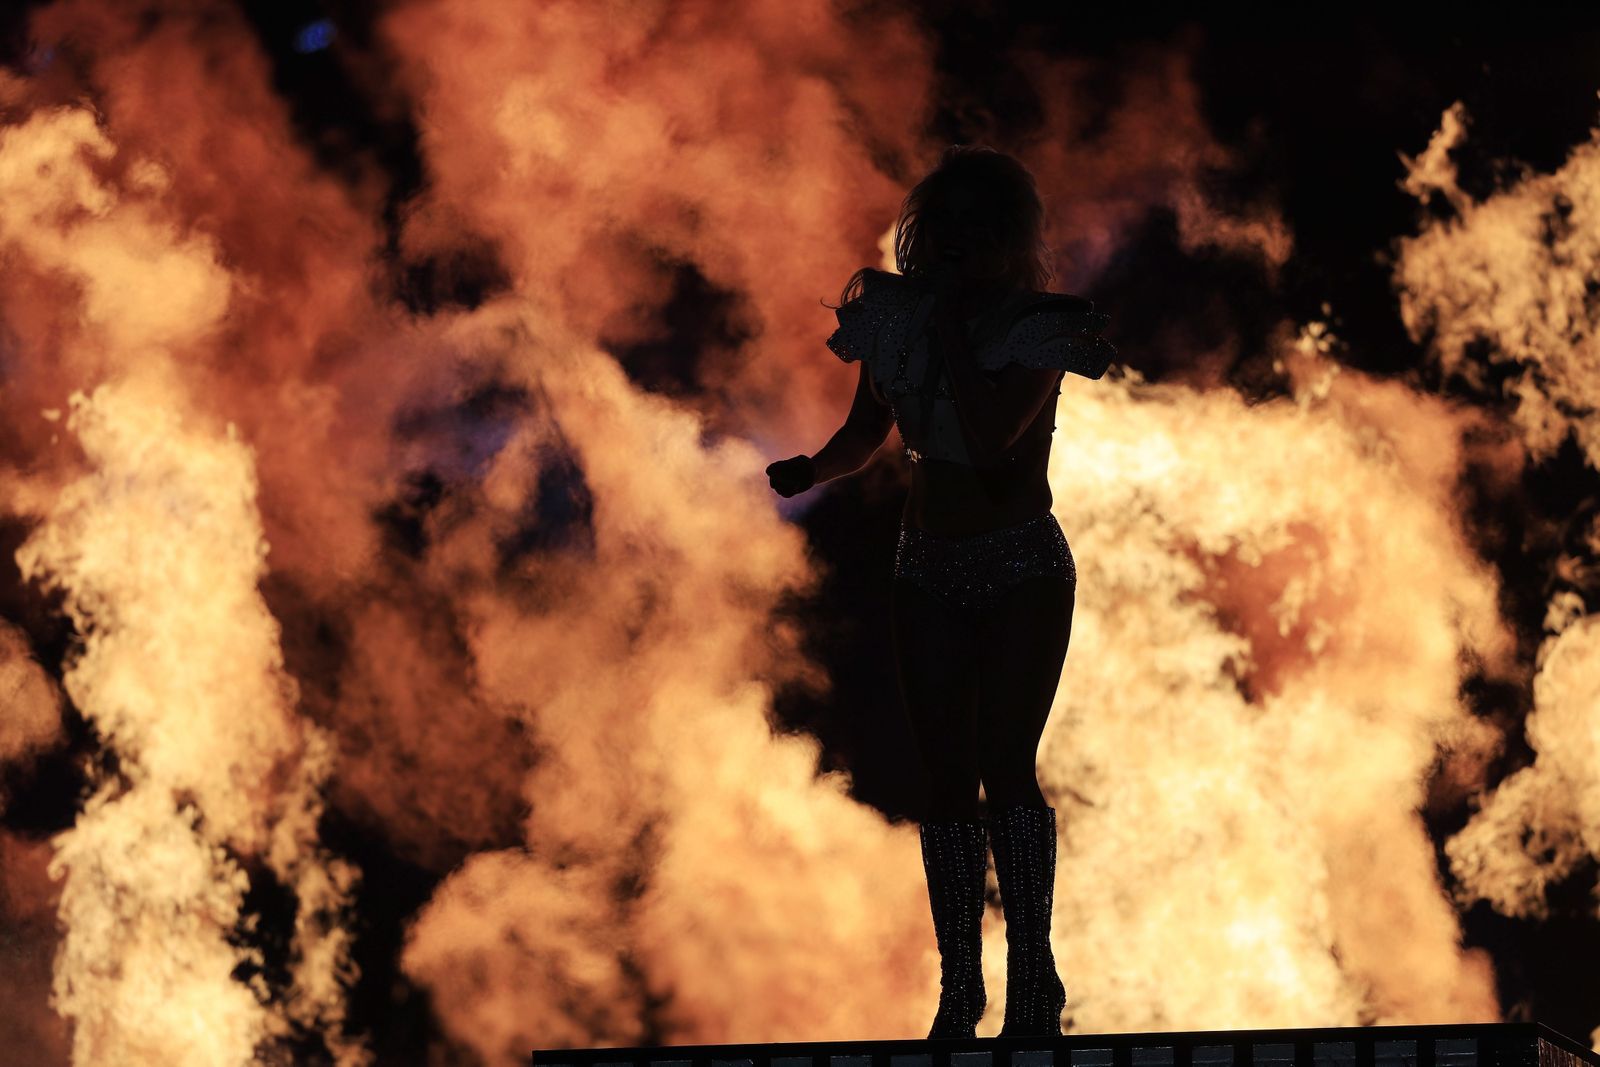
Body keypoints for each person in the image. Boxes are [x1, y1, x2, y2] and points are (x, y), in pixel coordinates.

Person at [765, 145, 1116, 1041]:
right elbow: (866, 430)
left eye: (976, 228)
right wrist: (812, 467)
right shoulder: (890, 322)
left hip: (1021, 566)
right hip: (926, 567)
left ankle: (1033, 978)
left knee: (1006, 765)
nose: (957, 242)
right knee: (945, 780)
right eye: (945, 226)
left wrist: (956, 330)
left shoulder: (1040, 329)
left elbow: (998, 438)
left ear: (1007, 238)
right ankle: (963, 984)